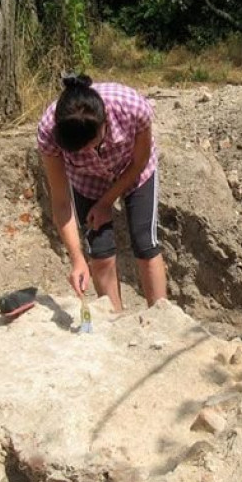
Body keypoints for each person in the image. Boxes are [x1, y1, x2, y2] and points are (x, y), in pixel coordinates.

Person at [37, 74, 167, 311]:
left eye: (93, 144)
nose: (88, 151)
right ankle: (114, 321)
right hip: (88, 181)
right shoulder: (49, 132)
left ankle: (163, 321)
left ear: (105, 122)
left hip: (134, 170)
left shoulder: (131, 107)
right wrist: (77, 260)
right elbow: (61, 203)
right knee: (100, 254)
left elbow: (140, 160)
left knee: (145, 245)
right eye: (80, 150)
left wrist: (107, 202)